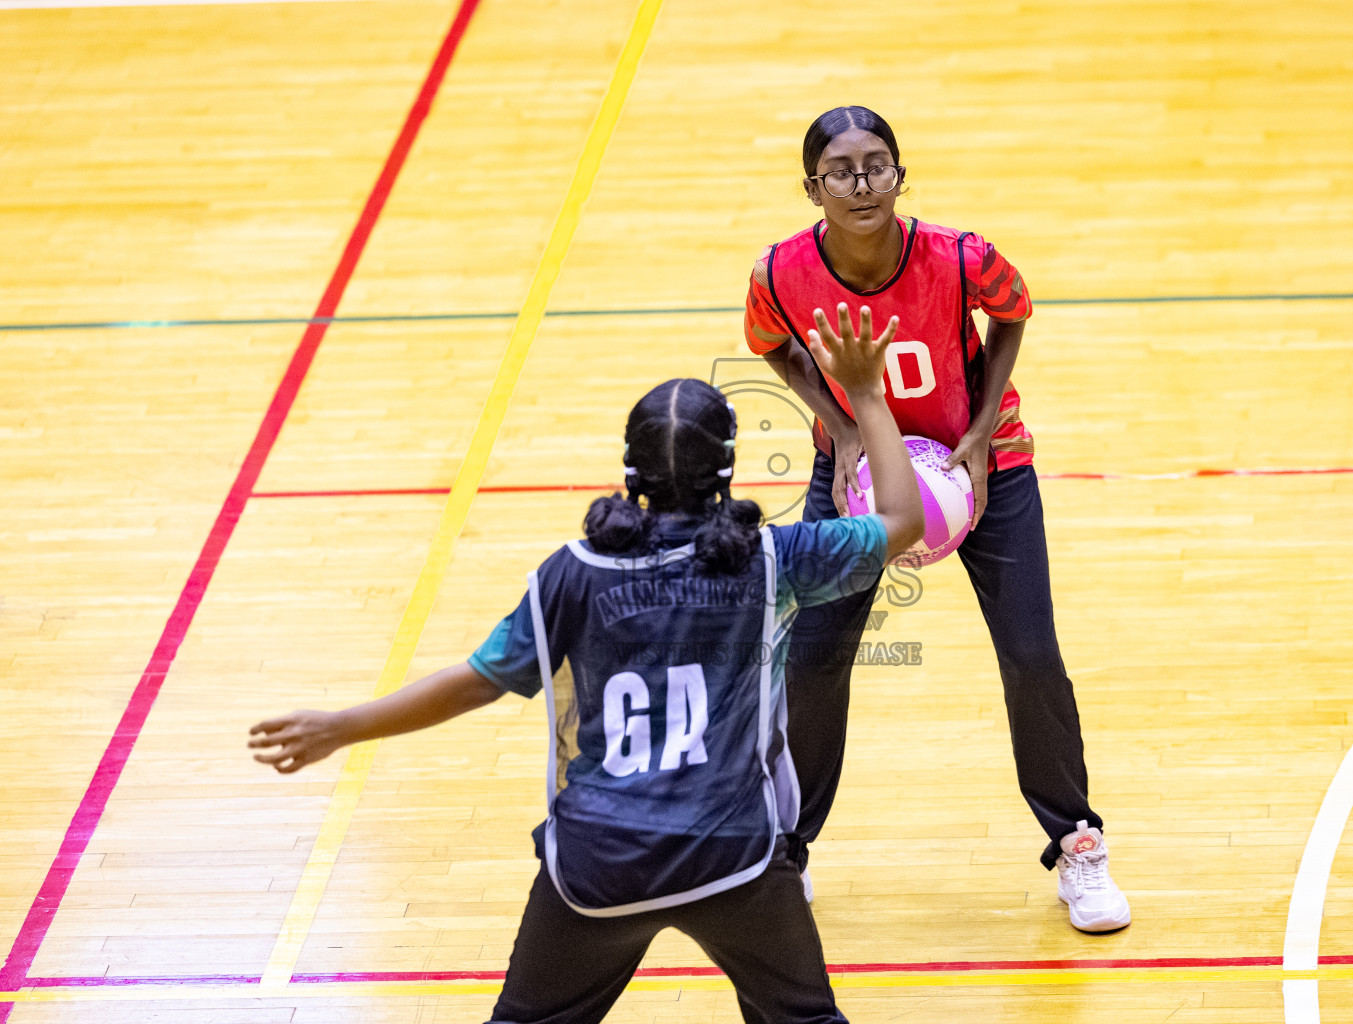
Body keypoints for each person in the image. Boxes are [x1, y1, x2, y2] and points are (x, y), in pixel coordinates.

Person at [248, 307, 924, 1024]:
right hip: (733, 857)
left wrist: (340, 726)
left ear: (628, 472)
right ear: (729, 469)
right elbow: (903, 520)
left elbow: (474, 681)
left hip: (600, 858)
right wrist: (869, 396)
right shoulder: (775, 560)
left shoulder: (571, 574)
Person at [742, 105, 1131, 932]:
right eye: (841, 171)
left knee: (1032, 655)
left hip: (979, 466)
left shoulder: (960, 256)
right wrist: (840, 426)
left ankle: (1078, 844)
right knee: (811, 662)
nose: (862, 183)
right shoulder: (780, 273)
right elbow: (769, 342)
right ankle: (785, 853)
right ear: (812, 187)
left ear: (900, 173)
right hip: (856, 474)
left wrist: (985, 430)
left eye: (878, 165)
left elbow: (1014, 309)